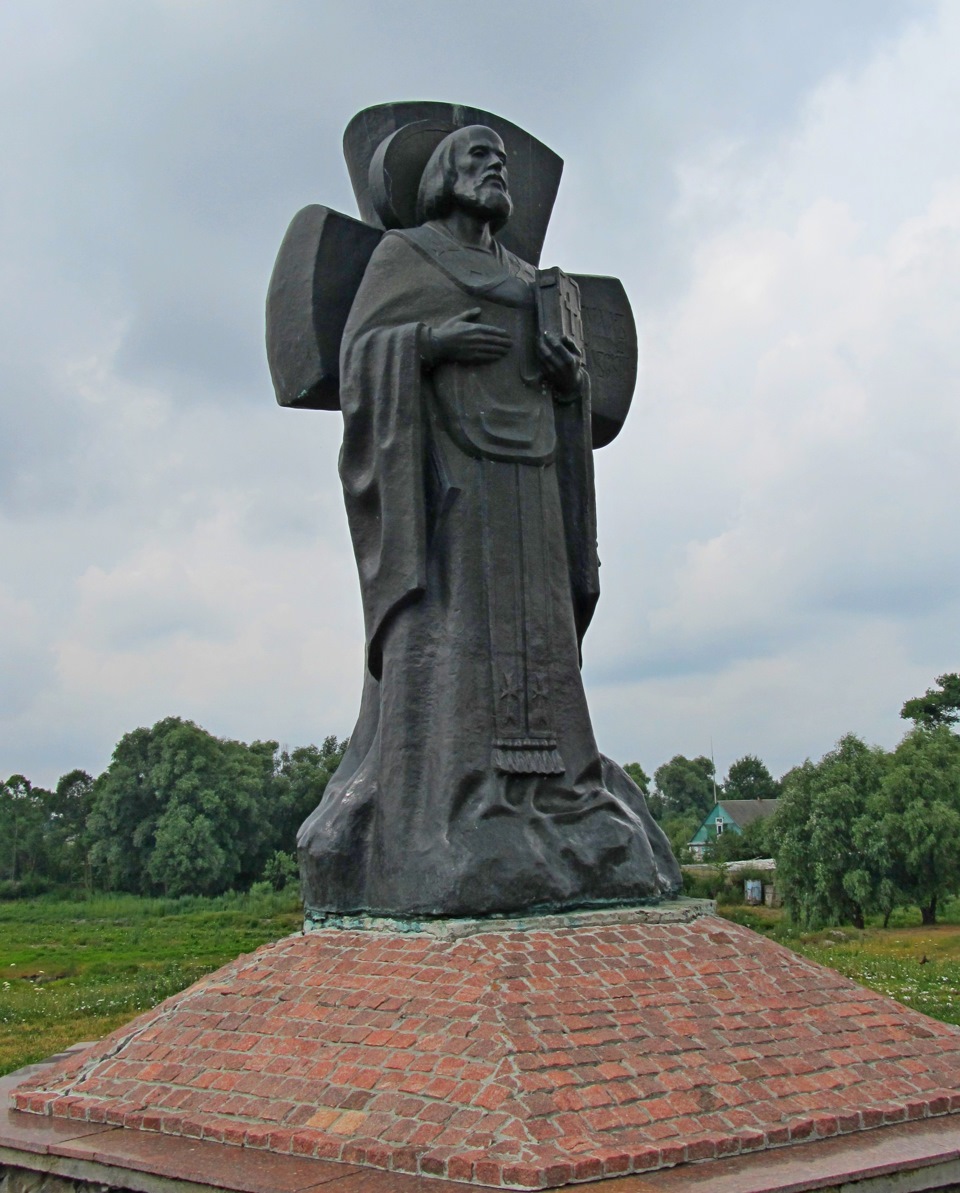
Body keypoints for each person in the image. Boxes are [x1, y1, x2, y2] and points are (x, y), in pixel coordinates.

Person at [298, 126, 680, 917]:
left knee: (542, 636)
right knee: (461, 632)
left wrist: (570, 379)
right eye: (477, 157)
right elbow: (365, 357)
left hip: (533, 482)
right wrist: (429, 342)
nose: (495, 169)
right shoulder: (406, 256)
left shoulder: (531, 280)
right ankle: (458, 803)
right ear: (441, 175)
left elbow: (572, 385)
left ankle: (564, 797)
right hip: (451, 495)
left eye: (501, 161)